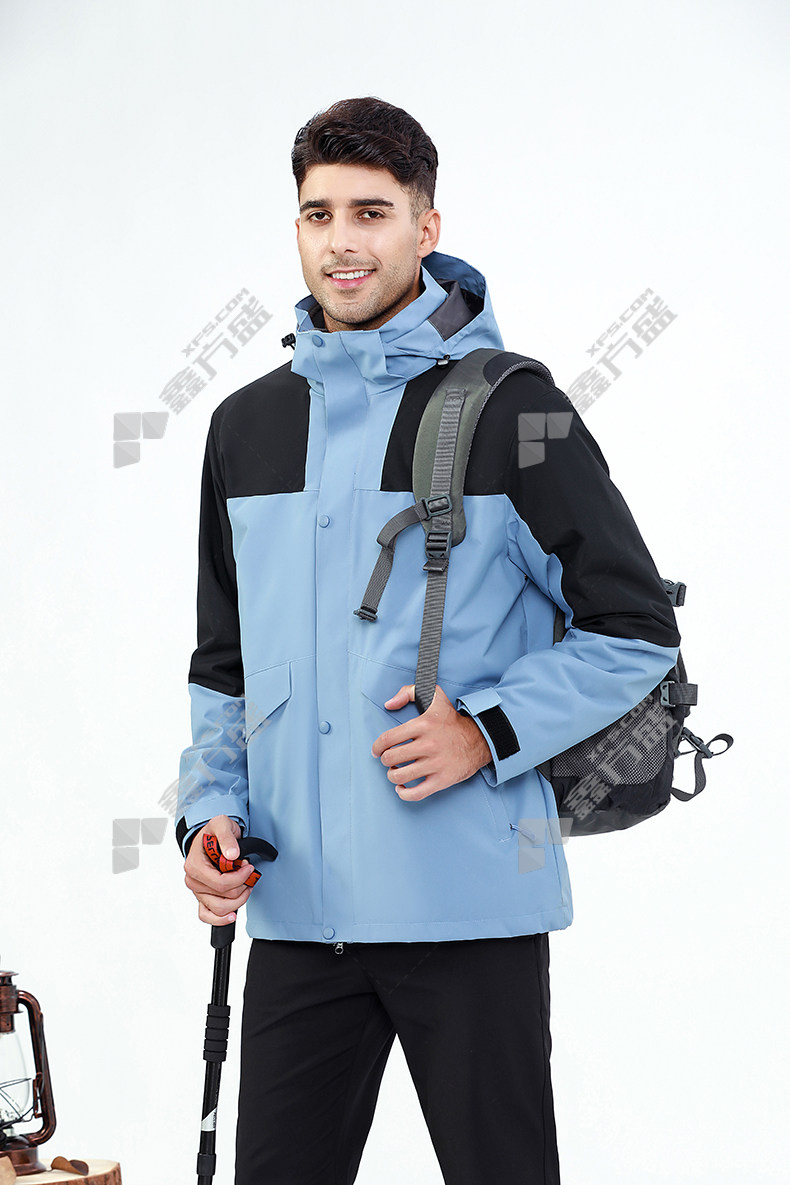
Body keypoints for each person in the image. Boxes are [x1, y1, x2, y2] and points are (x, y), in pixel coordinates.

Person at [176, 96, 681, 1185]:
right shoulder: (244, 427)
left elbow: (635, 627)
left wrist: (487, 730)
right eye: (318, 214)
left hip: (469, 909)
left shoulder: (515, 411)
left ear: (426, 226)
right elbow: (224, 666)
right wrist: (210, 813)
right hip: (298, 919)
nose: (342, 241)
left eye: (372, 212)